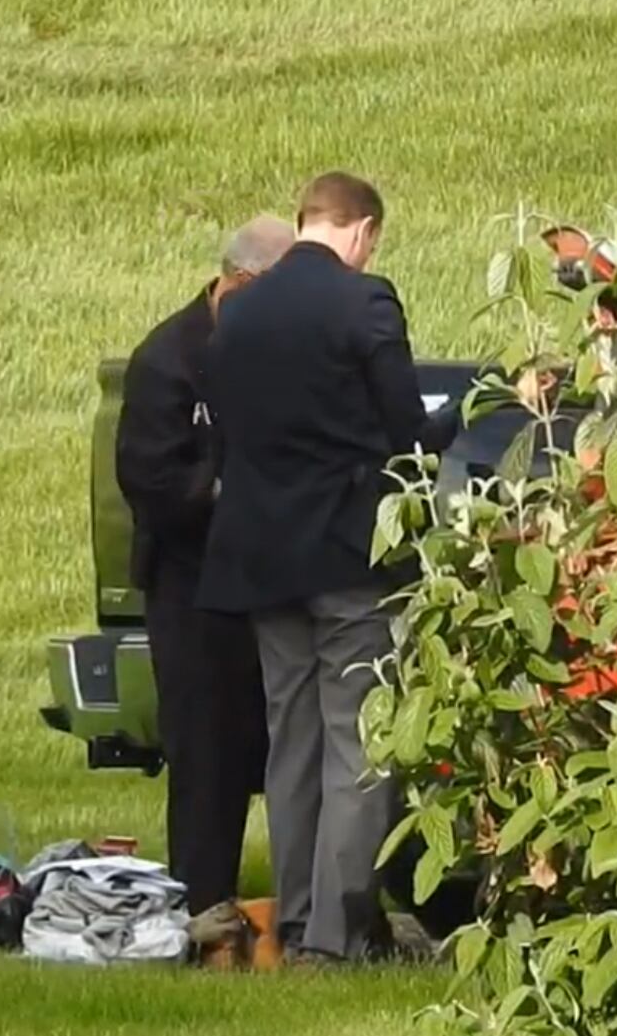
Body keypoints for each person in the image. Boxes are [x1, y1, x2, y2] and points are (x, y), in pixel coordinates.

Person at [196, 173, 461, 963]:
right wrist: (467, 410)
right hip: (350, 554)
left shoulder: (237, 310)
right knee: (358, 741)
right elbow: (407, 433)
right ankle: (336, 938)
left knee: (294, 743)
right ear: (363, 230)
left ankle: (299, 918)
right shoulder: (366, 301)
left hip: (261, 556)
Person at [114, 214, 294, 917]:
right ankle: (202, 908)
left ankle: (296, 903)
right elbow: (151, 483)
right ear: (243, 280)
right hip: (192, 589)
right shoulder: (168, 357)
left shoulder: (275, 350)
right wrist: (230, 485)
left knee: (287, 749)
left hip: (270, 581)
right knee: (207, 754)